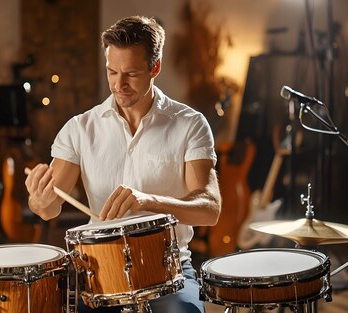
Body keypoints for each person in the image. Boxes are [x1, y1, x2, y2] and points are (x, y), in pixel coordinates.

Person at [25, 15, 221, 313]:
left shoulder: (190, 124)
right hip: (99, 273)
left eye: (131, 73)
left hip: (170, 269)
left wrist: (149, 201)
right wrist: (39, 199)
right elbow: (50, 207)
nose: (119, 84)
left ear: (155, 67)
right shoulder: (80, 128)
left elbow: (210, 209)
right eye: (112, 71)